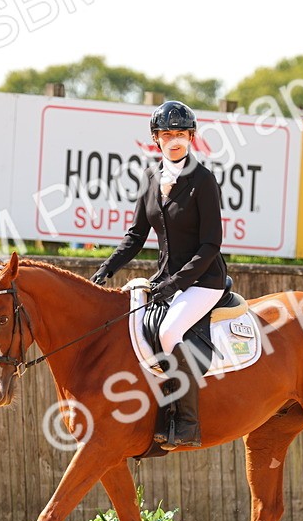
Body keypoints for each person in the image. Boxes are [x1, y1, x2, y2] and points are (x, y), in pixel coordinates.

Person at [90, 100, 228, 450]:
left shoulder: (203, 180)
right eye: (168, 134)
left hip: (203, 281)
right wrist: (108, 267)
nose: (175, 140)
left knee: (168, 332)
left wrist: (174, 284)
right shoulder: (151, 178)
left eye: (181, 134)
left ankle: (187, 423)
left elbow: (211, 243)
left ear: (191, 137)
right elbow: (136, 235)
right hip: (167, 279)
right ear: (157, 139)